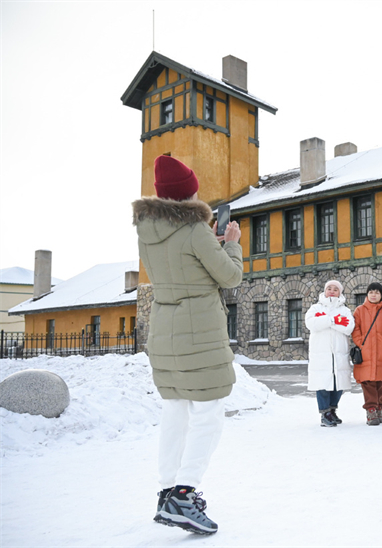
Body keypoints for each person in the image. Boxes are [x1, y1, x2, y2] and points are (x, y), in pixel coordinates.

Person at [133, 155, 243, 535]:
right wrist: (231, 245)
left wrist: (206, 244)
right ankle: (184, 492)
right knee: (209, 412)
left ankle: (167, 491)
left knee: (175, 409)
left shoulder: (146, 231)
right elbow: (229, 278)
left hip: (165, 332)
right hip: (200, 331)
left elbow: (179, 266)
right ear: (188, 192)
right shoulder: (197, 230)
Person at [305, 280, 355, 427]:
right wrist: (333, 320)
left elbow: (349, 327)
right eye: (329, 288)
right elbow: (311, 324)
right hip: (321, 355)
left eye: (335, 289)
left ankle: (332, 410)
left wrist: (325, 323)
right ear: (324, 291)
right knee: (323, 384)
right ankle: (324, 413)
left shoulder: (345, 310)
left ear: (340, 292)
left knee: (338, 385)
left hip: (339, 354)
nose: (332, 291)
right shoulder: (315, 308)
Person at [352, 282, 382, 425]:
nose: (374, 295)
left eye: (377, 293)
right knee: (367, 382)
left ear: (381, 295)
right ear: (367, 294)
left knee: (381, 381)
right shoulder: (359, 310)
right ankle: (371, 409)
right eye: (371, 292)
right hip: (366, 351)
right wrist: (361, 343)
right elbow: (356, 329)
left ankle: (379, 407)